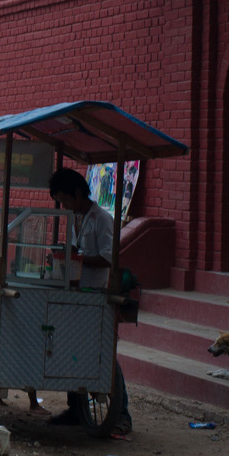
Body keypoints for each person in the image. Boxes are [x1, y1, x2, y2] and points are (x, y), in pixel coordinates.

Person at [46, 165, 131, 437]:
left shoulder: (101, 219)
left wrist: (77, 258)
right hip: (76, 293)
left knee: (102, 353)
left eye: (66, 200)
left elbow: (107, 257)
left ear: (78, 193)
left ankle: (122, 413)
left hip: (96, 295)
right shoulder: (76, 218)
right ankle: (75, 407)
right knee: (73, 348)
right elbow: (75, 250)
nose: (65, 206)